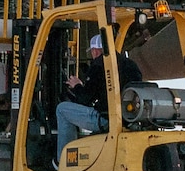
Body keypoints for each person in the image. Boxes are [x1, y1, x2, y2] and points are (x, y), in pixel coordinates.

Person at [55, 33, 143, 162]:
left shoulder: (98, 65)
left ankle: (62, 160)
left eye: (92, 52)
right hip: (129, 118)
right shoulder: (131, 65)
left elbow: (85, 99)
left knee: (62, 109)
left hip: (105, 120)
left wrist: (77, 86)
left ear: (95, 51)